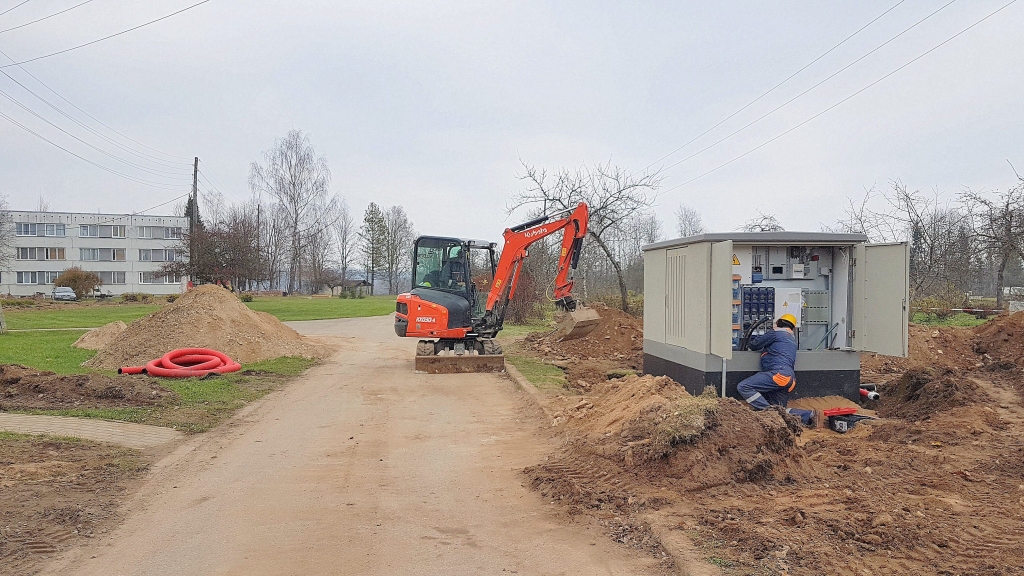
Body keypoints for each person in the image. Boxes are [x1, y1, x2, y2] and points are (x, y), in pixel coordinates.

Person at [737, 313, 813, 425]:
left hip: (778, 374)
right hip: (790, 379)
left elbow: (754, 345)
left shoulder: (777, 333)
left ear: (779, 323)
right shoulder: (791, 340)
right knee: (780, 411)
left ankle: (770, 413)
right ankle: (809, 416)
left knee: (744, 387)